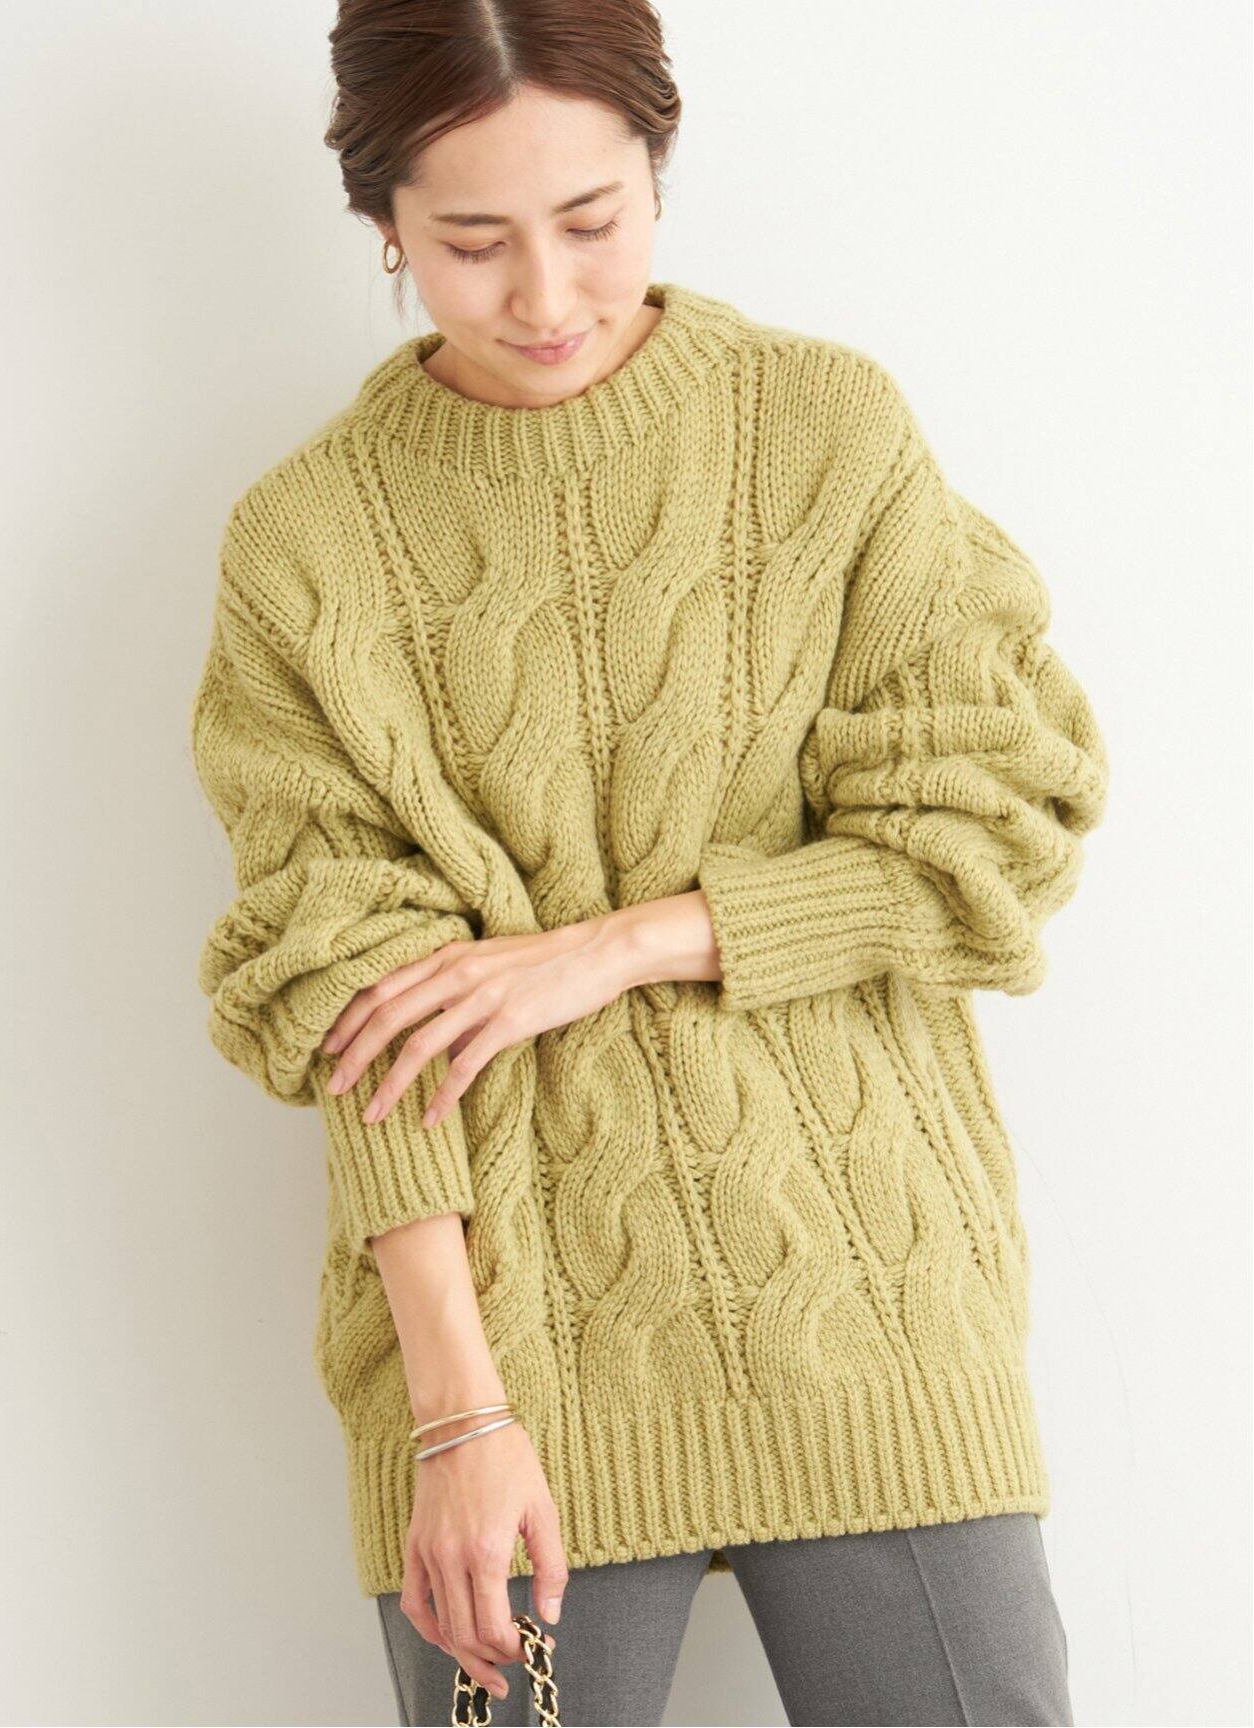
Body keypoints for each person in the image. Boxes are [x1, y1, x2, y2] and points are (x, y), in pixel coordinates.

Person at [188, 3, 1109, 1722]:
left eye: (593, 220)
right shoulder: (308, 543)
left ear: (660, 175)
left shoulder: (822, 429)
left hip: (868, 1292)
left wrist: (616, 944)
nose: (546, 296)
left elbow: (995, 819)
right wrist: (456, 1415)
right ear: (381, 220)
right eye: (473, 241)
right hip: (503, 1361)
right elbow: (348, 998)